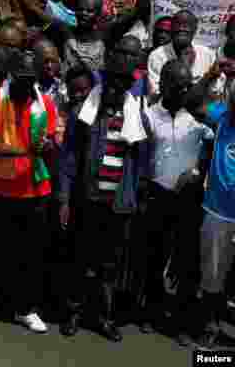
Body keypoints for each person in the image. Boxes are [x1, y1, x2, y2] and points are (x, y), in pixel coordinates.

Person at [59, 36, 148, 341]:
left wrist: (135, 199)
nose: (117, 85)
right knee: (80, 259)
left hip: (118, 205)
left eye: (124, 80)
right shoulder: (84, 113)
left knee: (110, 265)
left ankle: (105, 318)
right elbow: (69, 157)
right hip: (87, 199)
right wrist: (65, 199)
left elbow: (141, 166)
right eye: (113, 78)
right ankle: (73, 313)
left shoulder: (138, 116)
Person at [0, 51, 57, 336]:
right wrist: (22, 151)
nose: (27, 85)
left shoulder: (45, 104)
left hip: (36, 191)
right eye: (22, 79)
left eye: (31, 80)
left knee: (30, 255)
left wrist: (48, 147)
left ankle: (26, 309)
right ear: (10, 75)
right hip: (2, 191)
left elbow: (54, 140)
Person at [140, 59, 211, 345]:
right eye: (178, 85)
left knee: (184, 260)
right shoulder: (150, 114)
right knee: (153, 256)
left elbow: (212, 146)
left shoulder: (197, 117)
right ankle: (150, 313)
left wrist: (197, 171)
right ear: (165, 84)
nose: (183, 90)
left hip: (188, 199)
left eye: (187, 85)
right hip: (157, 195)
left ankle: (179, 322)